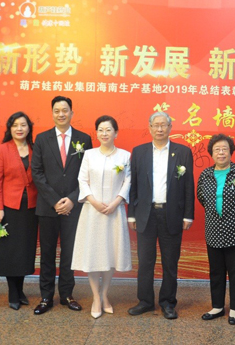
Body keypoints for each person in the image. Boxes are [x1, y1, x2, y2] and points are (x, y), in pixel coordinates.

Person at [127, 111, 194, 320]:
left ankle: (168, 302)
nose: (159, 129)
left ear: (170, 127)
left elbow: (188, 185)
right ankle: (145, 301)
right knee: (145, 261)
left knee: (170, 262)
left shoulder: (183, 152)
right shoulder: (139, 152)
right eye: (155, 125)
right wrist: (132, 215)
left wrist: (188, 215)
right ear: (149, 128)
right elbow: (133, 185)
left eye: (163, 125)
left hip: (171, 214)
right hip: (145, 214)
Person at [31, 96, 91, 315]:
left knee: (69, 253)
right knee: (47, 253)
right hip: (48, 207)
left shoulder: (84, 139)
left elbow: (87, 174)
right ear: (52, 113)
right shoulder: (41, 138)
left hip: (73, 208)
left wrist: (72, 199)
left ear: (72, 113)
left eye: (65, 110)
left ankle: (67, 294)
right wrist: (55, 201)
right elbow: (37, 172)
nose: (61, 114)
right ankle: (46, 296)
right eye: (57, 111)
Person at [72, 115, 132, 318]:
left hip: (114, 211)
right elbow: (82, 180)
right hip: (92, 211)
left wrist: (116, 202)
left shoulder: (125, 156)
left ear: (116, 133)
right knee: (93, 254)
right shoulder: (89, 155)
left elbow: (128, 182)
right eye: (100, 130)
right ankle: (96, 298)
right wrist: (94, 201)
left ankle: (105, 294)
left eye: (108, 130)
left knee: (110, 254)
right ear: (96, 133)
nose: (104, 133)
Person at [197, 134, 235, 325]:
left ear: (231, 152)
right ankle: (217, 306)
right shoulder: (205, 174)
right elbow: (201, 197)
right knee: (216, 271)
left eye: (224, 149)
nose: (221, 153)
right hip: (213, 230)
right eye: (217, 149)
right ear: (211, 153)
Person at [0, 111, 39, 310]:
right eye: (15, 125)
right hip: (9, 208)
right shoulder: (2, 150)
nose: (19, 129)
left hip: (31, 208)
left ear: (29, 128)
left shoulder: (35, 149)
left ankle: (20, 290)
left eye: (23, 125)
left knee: (25, 251)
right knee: (11, 251)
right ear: (10, 129)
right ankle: (13, 292)